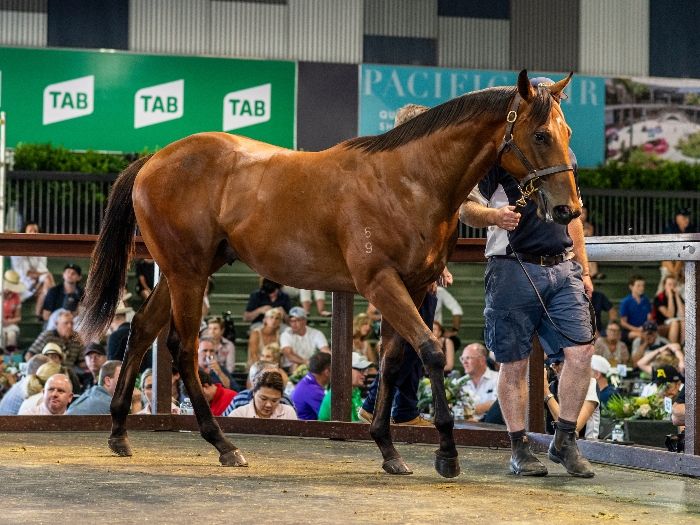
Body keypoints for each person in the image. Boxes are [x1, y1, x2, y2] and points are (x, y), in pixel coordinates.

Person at [459, 76, 595, 477]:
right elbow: (466, 208)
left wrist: (584, 269)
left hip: (562, 267)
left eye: (558, 102)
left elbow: (574, 217)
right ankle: (519, 447)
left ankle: (564, 440)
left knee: (581, 353)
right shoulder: (499, 156)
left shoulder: (563, 155)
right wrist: (493, 216)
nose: (556, 106)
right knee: (514, 363)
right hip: (511, 267)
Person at [544, 358, 599, 440]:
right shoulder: (552, 386)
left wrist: (547, 394)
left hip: (585, 445)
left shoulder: (590, 384)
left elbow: (572, 429)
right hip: (552, 444)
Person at [10, 221, 55, 316]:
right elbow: (26, 273)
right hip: (22, 281)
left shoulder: (41, 248)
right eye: (30, 230)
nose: (34, 233)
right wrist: (39, 276)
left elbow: (42, 269)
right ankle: (42, 313)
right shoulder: (18, 248)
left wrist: (40, 276)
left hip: (38, 280)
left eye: (36, 231)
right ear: (24, 232)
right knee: (47, 280)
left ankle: (40, 313)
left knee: (47, 279)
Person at [318, 352, 374, 422]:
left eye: (366, 370)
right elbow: (349, 426)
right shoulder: (338, 395)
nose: (365, 374)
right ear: (346, 370)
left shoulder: (355, 391)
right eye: (361, 370)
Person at [229, 369, 297, 419]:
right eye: (263, 399)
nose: (268, 405)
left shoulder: (288, 413)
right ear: (253, 393)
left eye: (274, 400)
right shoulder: (238, 415)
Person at [279, 307, 330, 371]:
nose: (294, 323)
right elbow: (289, 355)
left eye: (297, 320)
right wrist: (306, 362)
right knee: (296, 366)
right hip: (290, 366)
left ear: (304, 321)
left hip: (310, 366)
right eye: (291, 321)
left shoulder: (316, 333)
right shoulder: (285, 334)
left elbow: (325, 350)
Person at [459, 343, 499, 420]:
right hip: (464, 424)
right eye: (462, 359)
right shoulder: (459, 383)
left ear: (482, 360)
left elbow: (497, 404)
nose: (464, 362)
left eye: (468, 358)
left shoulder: (497, 378)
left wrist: (468, 410)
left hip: (490, 424)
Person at [291, 351, 331, 420]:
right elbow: (331, 417)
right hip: (306, 426)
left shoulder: (307, 381)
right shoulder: (314, 391)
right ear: (327, 372)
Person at [618, 275, 652, 343]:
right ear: (631, 287)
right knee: (642, 337)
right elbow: (623, 323)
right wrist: (637, 329)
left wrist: (645, 328)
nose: (642, 288)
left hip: (644, 329)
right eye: (638, 286)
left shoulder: (646, 300)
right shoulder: (626, 302)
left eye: (643, 285)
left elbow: (649, 318)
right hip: (629, 331)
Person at [653, 275, 684, 344]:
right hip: (660, 324)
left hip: (672, 322)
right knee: (675, 323)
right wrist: (670, 297)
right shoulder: (658, 298)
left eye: (674, 285)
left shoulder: (677, 296)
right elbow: (670, 315)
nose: (672, 287)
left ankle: (683, 347)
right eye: (669, 284)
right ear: (664, 286)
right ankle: (673, 347)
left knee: (684, 322)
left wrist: (677, 296)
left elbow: (683, 314)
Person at [2, 269, 25, 349]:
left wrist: (8, 322)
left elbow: (18, 318)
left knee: (11, 335)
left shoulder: (16, 297)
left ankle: (10, 355)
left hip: (9, 324)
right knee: (2, 336)